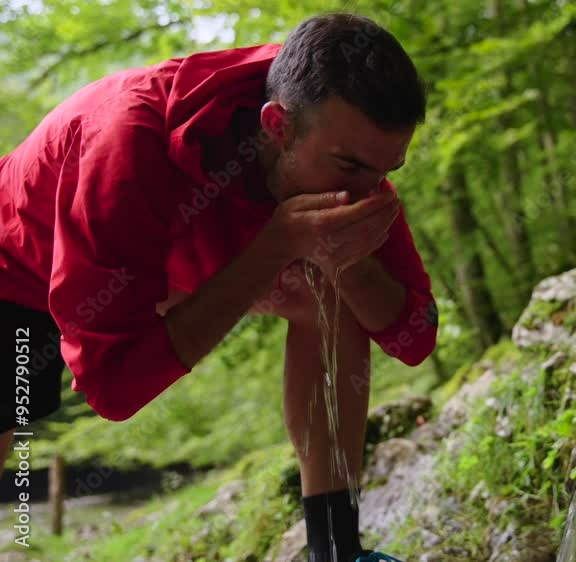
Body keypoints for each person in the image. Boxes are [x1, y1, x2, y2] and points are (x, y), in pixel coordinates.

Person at [0, 12, 438, 562]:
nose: (366, 192)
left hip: (156, 261)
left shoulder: (342, 135)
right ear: (277, 126)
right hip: (17, 271)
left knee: (323, 286)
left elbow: (414, 337)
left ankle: (335, 550)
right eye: (350, 167)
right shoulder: (127, 145)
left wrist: (349, 263)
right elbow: (113, 389)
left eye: (387, 169)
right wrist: (274, 248)